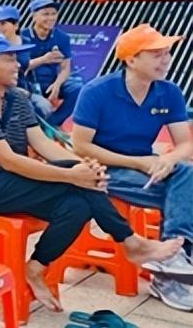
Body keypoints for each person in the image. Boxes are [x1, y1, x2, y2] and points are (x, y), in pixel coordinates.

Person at [0, 33, 181, 312]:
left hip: (15, 180)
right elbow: (9, 161)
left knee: (79, 205)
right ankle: (130, 241)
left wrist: (82, 167)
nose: (18, 64)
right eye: (10, 59)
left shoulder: (17, 99)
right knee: (75, 184)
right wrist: (73, 174)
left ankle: (35, 267)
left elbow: (43, 144)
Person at [70, 25, 193, 311]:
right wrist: (139, 162)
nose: (166, 60)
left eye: (168, 53)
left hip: (145, 167)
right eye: (156, 54)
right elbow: (81, 146)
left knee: (185, 174)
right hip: (104, 168)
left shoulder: (169, 92)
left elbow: (185, 145)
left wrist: (168, 159)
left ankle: (171, 258)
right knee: (184, 193)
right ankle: (173, 262)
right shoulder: (97, 91)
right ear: (131, 60)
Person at [22, 0, 82, 126]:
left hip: (52, 82)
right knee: (40, 105)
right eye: (46, 14)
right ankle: (40, 128)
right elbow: (20, 67)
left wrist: (57, 84)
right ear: (34, 16)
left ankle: (53, 123)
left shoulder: (62, 37)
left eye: (54, 14)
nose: (51, 18)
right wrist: (43, 59)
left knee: (79, 90)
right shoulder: (22, 37)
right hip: (29, 84)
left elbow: (66, 67)